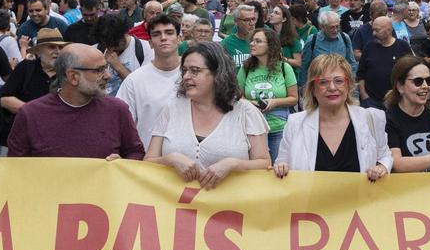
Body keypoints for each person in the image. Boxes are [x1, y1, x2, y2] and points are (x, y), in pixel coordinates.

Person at [144, 41, 270, 188]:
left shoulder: (245, 111)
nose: (186, 76)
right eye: (184, 70)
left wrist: (233, 164)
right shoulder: (172, 108)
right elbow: (148, 161)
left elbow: (264, 163)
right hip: (176, 208)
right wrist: (171, 159)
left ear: (217, 73)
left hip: (230, 208)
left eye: (195, 70)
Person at [5, 43, 144, 159]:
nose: (107, 76)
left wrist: (123, 163)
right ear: (73, 77)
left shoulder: (117, 110)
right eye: (99, 70)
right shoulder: (31, 114)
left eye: (106, 68)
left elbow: (135, 152)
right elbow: (16, 167)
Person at [273, 54, 392, 180]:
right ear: (312, 88)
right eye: (323, 82)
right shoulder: (295, 123)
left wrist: (381, 168)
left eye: (339, 81)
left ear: (349, 85)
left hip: (362, 199)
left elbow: (385, 156)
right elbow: (282, 163)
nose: (332, 88)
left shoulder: (371, 119)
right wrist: (280, 168)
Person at [115, 14, 183, 149]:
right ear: (150, 43)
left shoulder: (195, 75)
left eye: (169, 33)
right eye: (157, 34)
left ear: (179, 38)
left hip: (188, 162)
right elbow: (120, 125)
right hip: (147, 161)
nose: (163, 38)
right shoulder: (134, 81)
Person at [0, 28, 63, 147]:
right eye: (51, 47)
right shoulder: (26, 68)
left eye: (60, 48)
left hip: (60, 136)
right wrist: (37, 113)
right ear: (39, 51)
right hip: (27, 136)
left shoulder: (69, 72)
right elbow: (5, 99)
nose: (57, 51)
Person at [236, 28, 297, 162]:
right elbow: (238, 96)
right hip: (253, 129)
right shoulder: (245, 68)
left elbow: (294, 98)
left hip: (278, 127)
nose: (252, 44)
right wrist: (250, 103)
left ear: (270, 45)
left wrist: (274, 102)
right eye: (252, 41)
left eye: (258, 41)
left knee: (278, 167)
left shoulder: (284, 68)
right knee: (256, 170)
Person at [357, 16, 414, 110]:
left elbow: (411, 71)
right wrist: (364, 95)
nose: (374, 33)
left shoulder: (402, 46)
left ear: (389, 29)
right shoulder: (369, 47)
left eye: (377, 30)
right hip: (371, 101)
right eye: (373, 30)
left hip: (396, 101)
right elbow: (361, 74)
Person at [298, 11, 357, 97]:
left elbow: (351, 63)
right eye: (331, 28)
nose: (335, 30)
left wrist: (353, 88)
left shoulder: (345, 38)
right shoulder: (312, 40)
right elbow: (304, 66)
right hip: (319, 88)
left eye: (337, 26)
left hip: (340, 87)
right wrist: (304, 89)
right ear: (322, 27)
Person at [94, 13, 152, 96]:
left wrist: (118, 66)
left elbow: (142, 88)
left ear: (125, 34)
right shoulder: (99, 49)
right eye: (107, 44)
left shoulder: (145, 49)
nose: (111, 48)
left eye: (115, 43)